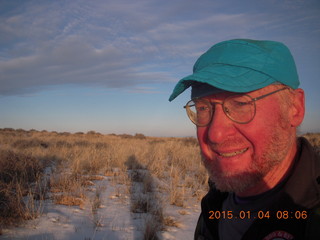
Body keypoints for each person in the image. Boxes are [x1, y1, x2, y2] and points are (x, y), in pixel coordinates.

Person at [169, 39, 320, 240]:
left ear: (294, 108)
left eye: (241, 103)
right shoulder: (216, 203)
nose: (215, 134)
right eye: (203, 108)